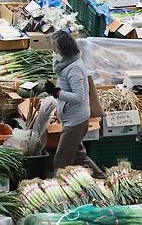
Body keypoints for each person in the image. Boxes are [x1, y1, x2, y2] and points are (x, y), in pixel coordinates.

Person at [44, 31, 105, 179]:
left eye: (55, 49)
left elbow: (79, 96)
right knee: (79, 156)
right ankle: (100, 177)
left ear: (63, 49)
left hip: (76, 120)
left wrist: (58, 93)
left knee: (61, 161)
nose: (53, 52)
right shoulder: (65, 64)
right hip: (72, 118)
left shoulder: (74, 68)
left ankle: (58, 185)